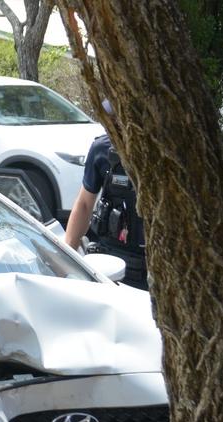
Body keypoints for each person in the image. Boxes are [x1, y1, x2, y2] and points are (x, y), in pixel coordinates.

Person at [63, 100, 148, 290]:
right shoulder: (101, 149)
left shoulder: (164, 152)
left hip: (153, 267)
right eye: (111, 117)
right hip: (111, 262)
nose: (115, 123)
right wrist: (67, 256)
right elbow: (84, 204)